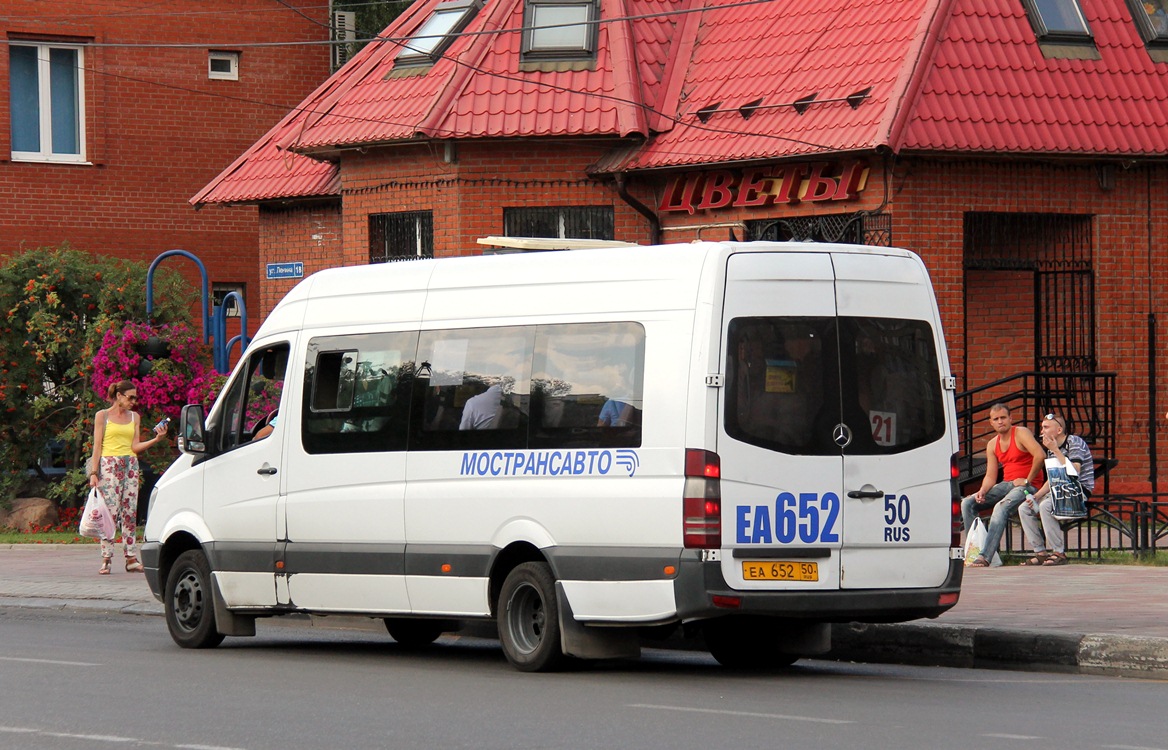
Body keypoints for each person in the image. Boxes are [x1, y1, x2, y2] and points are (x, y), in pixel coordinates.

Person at [89, 380, 168, 575]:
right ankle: (106, 558)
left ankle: (131, 558)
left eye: (135, 397)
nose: (134, 401)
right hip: (109, 465)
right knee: (110, 512)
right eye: (130, 397)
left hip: (130, 465)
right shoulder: (103, 416)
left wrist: (156, 439)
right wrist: (93, 472)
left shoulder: (135, 417)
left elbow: (135, 446)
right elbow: (97, 446)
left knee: (129, 512)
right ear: (118, 396)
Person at [960, 403, 1045, 567]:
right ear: (991, 423)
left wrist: (1027, 480)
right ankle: (975, 551)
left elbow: (1040, 455)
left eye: (1003, 418)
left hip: (1028, 487)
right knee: (968, 503)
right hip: (1007, 484)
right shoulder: (992, 444)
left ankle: (985, 557)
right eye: (996, 419)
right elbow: (991, 475)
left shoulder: (1020, 433)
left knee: (1000, 507)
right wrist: (982, 490)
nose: (1000, 421)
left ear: (1010, 419)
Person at [1018, 413, 1095, 567]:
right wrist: (1036, 496)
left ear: (1059, 430)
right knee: (1025, 508)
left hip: (1078, 490)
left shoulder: (1074, 442)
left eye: (1046, 427)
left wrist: (1056, 450)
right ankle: (1040, 552)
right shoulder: (1051, 449)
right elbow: (1053, 477)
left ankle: (1058, 552)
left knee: (1046, 506)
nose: (1042, 431)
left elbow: (1074, 471)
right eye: (1042, 427)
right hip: (1058, 489)